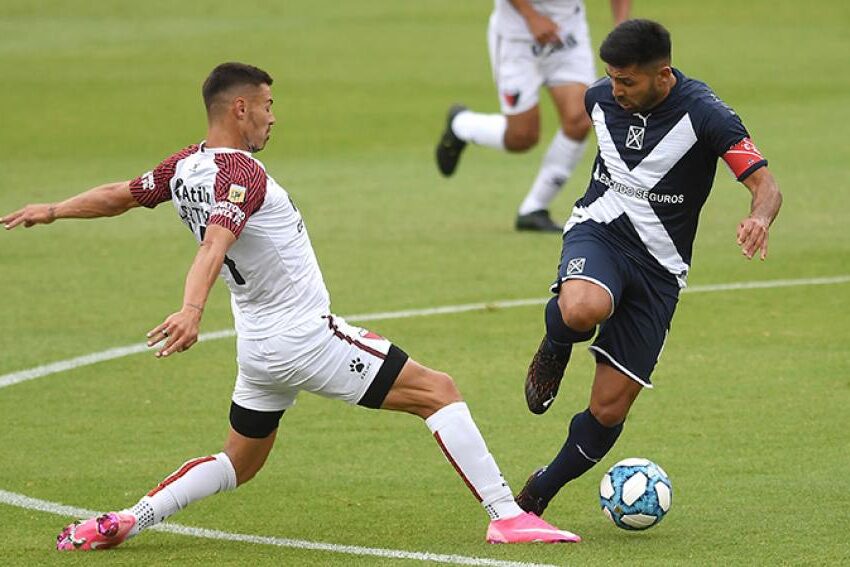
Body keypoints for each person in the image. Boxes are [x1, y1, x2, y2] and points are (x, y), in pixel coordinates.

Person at [2, 62, 581, 550]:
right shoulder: (242, 173)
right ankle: (507, 514)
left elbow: (122, 195)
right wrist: (191, 309)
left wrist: (53, 209)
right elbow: (215, 244)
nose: (273, 116)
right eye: (266, 105)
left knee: (239, 462)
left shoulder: (185, 167)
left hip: (258, 350)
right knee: (440, 391)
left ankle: (130, 518)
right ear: (238, 110)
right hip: (305, 339)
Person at [513, 20, 782, 515]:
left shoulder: (709, 115)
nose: (615, 91)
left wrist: (758, 217)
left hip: (661, 268)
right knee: (582, 308)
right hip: (602, 231)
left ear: (663, 75)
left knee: (609, 409)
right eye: (611, 78)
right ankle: (555, 346)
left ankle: (540, 490)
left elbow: (766, 186)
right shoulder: (600, 99)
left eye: (627, 81)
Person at [436, 0, 631, 232]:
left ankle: (534, 208)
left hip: (568, 34)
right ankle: (461, 125)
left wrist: (621, 25)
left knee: (580, 119)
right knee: (522, 137)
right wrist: (532, 17)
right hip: (517, 37)